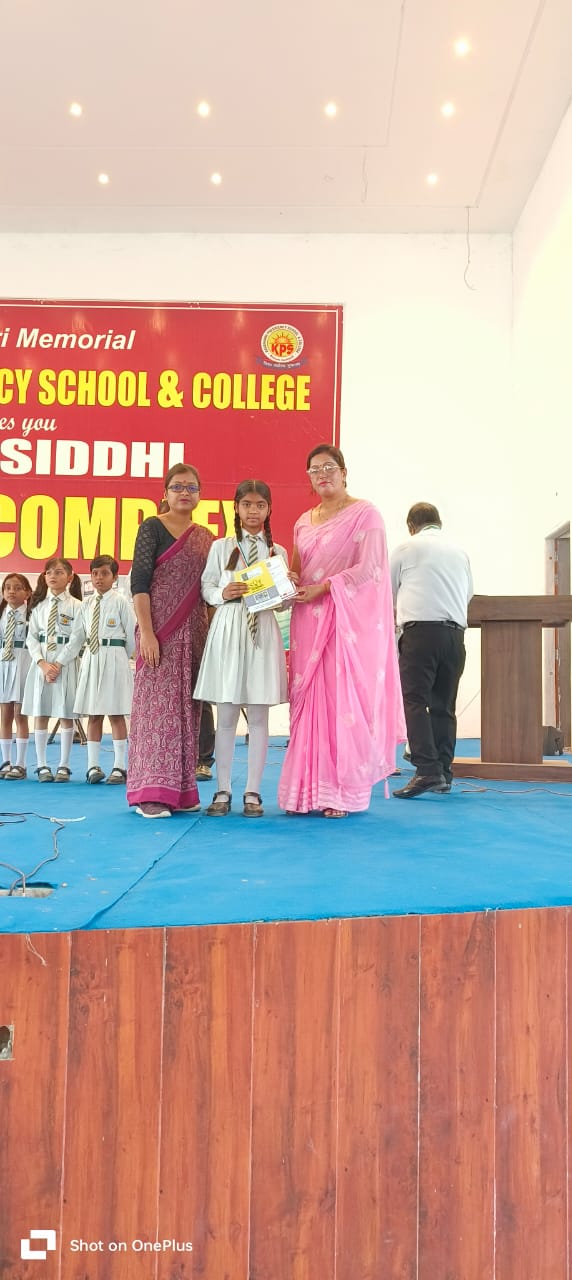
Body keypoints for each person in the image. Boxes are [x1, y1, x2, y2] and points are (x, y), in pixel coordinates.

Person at [278, 444, 405, 818]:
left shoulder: (366, 514)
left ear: (344, 472)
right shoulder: (303, 521)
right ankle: (305, 792)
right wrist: (287, 580)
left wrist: (326, 587)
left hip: (345, 624)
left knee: (340, 703)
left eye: (329, 467)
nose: (322, 475)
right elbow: (299, 570)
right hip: (307, 622)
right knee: (309, 701)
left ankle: (341, 794)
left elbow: (372, 569)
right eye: (314, 470)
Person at [194, 480, 288, 816]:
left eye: (260, 505)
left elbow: (283, 604)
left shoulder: (277, 552)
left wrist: (284, 592)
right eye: (247, 504)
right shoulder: (221, 547)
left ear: (268, 509)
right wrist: (223, 593)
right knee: (227, 714)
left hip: (262, 628)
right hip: (229, 625)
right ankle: (222, 790)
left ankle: (253, 791)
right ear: (236, 507)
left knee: (259, 715)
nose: (253, 511)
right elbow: (206, 586)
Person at [127, 462, 213, 818]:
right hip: (159, 634)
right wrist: (147, 633)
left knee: (187, 712)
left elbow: (210, 590)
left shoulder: (205, 537)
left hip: (194, 635)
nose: (184, 493)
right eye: (177, 486)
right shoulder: (152, 527)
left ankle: (181, 790)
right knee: (156, 712)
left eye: (191, 487)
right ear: (165, 492)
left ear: (199, 494)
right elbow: (139, 583)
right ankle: (151, 792)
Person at [390, 502, 473, 798]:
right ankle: (444, 773)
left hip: (420, 634)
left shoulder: (406, 548)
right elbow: (468, 594)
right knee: (444, 705)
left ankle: (426, 770)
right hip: (455, 636)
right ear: (439, 523)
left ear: (411, 526)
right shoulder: (460, 552)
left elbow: (388, 591)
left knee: (414, 701)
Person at [72, 555, 136, 784]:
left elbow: (132, 636)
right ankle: (92, 766)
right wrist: (60, 661)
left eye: (105, 573)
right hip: (92, 658)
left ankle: (119, 766)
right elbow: (77, 637)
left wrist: (121, 657)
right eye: (95, 573)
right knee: (94, 713)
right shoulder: (86, 604)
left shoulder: (121, 602)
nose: (99, 578)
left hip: (115, 657)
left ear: (115, 577)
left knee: (117, 713)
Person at [22, 558, 83, 781]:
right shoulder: (39, 606)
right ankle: (41, 765)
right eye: (49, 573)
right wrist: (43, 664)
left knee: (66, 713)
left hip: (65, 664)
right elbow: (32, 638)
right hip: (42, 665)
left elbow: (77, 638)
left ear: (70, 577)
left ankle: (64, 765)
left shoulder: (77, 606)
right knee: (41, 712)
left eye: (58, 572)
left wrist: (58, 664)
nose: (52, 576)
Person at [0, 573, 33, 779]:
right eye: (8, 587)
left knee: (20, 714)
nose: (12, 591)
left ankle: (20, 763)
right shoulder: (1, 614)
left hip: (23, 661)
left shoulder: (32, 615)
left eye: (17, 588)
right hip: (4, 663)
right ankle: (6, 760)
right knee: (5, 714)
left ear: (27, 593)